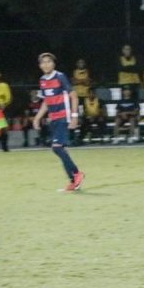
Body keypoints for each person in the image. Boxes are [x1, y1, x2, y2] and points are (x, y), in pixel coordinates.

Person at [32, 52, 84, 191]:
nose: (46, 64)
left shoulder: (60, 77)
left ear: (53, 64)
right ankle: (74, 181)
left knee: (56, 147)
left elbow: (74, 96)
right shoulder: (42, 80)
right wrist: (37, 117)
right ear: (40, 65)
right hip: (53, 118)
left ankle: (76, 174)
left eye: (49, 61)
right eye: (43, 62)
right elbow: (46, 102)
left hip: (64, 116)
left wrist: (74, 116)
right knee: (61, 149)